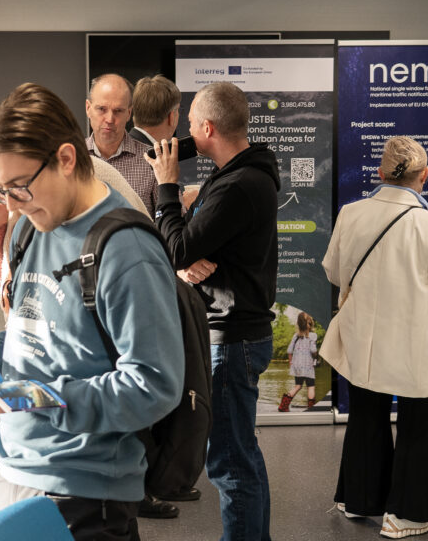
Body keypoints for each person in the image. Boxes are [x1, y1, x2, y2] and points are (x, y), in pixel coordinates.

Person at [0, 82, 184, 541]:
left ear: (66, 159)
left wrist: (26, 396)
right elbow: (33, 332)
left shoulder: (126, 251)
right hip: (16, 466)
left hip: (84, 492)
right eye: (1, 189)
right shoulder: (31, 228)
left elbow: (154, 385)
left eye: (19, 188)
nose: (11, 205)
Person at [322, 135, 428, 539]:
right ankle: (404, 516)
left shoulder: (351, 214)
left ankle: (358, 500)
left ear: (380, 172)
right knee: (416, 427)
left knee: (366, 418)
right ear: (425, 175)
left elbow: (334, 273)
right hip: (416, 349)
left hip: (363, 343)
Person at [147, 81, 280, 541]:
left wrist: (167, 189)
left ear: (207, 127)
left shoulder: (238, 184)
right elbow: (187, 250)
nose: (184, 132)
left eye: (189, 124)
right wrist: (185, 249)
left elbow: (180, 246)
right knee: (241, 453)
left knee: (229, 461)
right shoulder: (238, 176)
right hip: (237, 332)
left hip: (233, 337)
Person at [86, 73, 157, 217]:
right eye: (102, 109)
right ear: (88, 108)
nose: (110, 119)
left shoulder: (153, 161)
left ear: (129, 113)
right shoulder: (71, 158)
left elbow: (170, 225)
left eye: (118, 111)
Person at [278, 312, 319, 411]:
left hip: (297, 365)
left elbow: (289, 350)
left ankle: (283, 406)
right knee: (311, 386)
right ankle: (311, 408)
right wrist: (316, 356)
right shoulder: (312, 336)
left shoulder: (295, 336)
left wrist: (291, 363)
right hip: (308, 366)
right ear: (309, 324)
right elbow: (313, 350)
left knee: (298, 386)